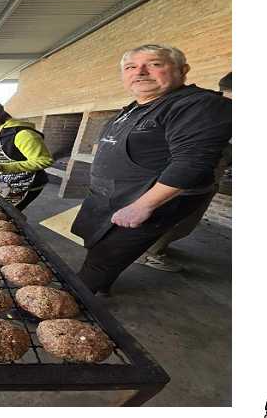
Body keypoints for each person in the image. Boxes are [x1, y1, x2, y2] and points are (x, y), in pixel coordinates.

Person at [70, 44, 232, 295]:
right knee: (97, 244)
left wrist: (142, 206)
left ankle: (78, 296)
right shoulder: (136, 107)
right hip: (111, 195)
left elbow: (192, 163)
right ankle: (99, 284)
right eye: (131, 67)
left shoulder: (198, 105)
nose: (140, 72)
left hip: (147, 199)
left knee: (106, 257)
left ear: (183, 70)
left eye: (155, 64)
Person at [136, 71, 233, 272]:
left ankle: (150, 249)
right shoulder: (218, 111)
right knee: (178, 221)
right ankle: (148, 254)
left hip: (185, 178)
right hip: (189, 182)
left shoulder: (204, 104)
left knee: (172, 219)